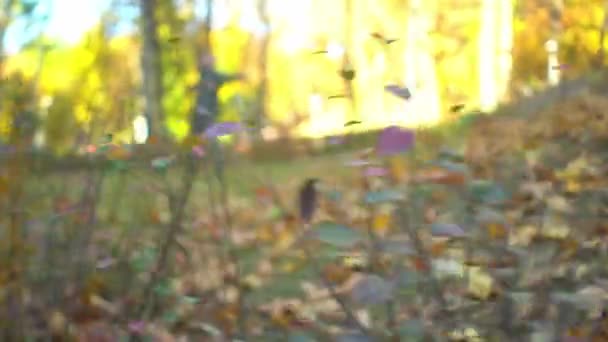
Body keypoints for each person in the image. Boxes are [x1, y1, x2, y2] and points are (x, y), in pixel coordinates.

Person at [191, 53, 244, 135]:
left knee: (207, 132)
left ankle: (234, 128)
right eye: (205, 59)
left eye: (209, 59)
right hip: (200, 110)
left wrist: (238, 76)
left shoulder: (214, 76)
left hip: (209, 110)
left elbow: (227, 77)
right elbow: (195, 87)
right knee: (198, 132)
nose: (206, 61)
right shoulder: (202, 75)